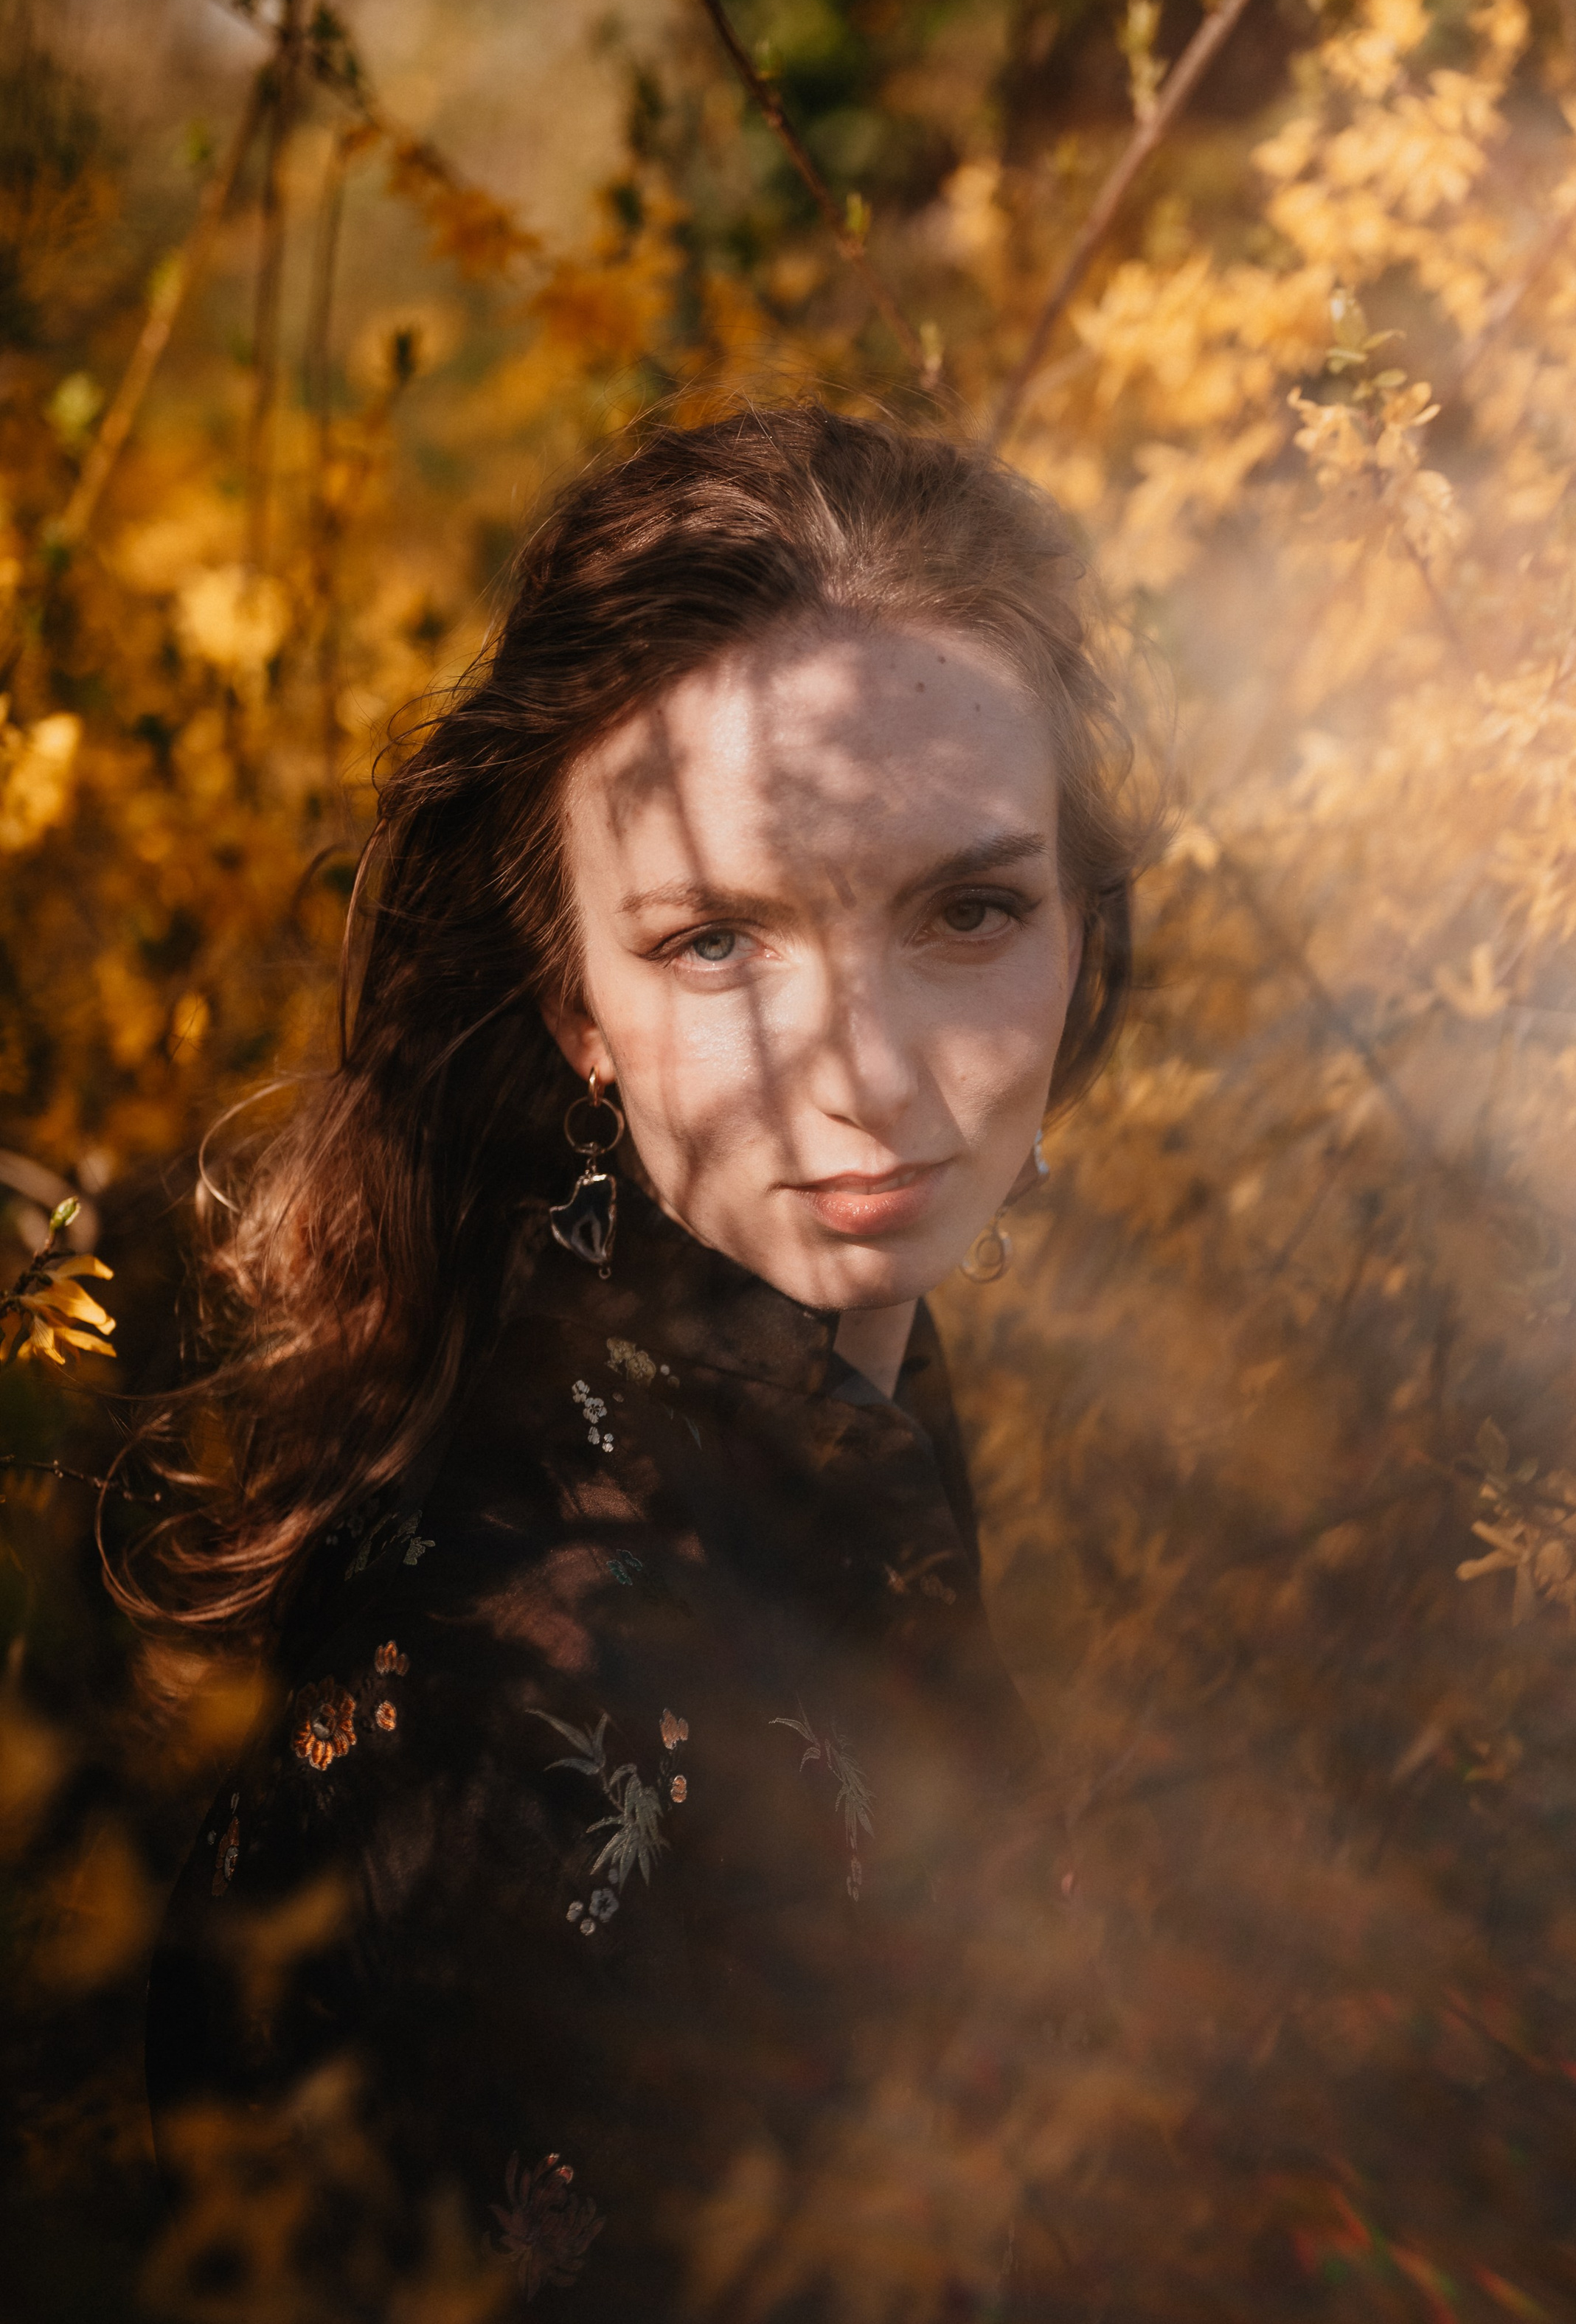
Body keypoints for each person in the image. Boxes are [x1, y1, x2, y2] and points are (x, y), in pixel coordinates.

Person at [136, 405, 1156, 2319]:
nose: (860, 1071)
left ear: (1081, 939)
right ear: (568, 995)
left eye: (968, 909)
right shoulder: (557, 1658)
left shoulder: (818, 1417)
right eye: (715, 940)